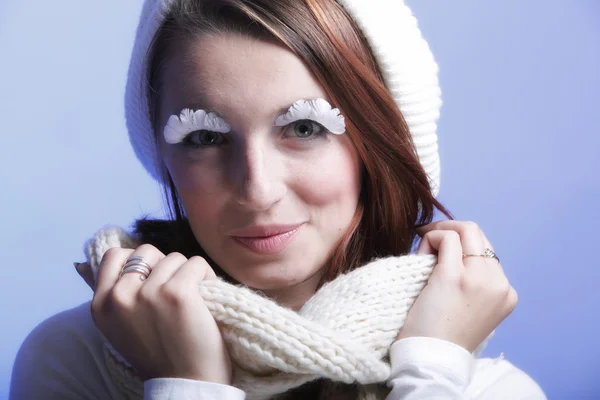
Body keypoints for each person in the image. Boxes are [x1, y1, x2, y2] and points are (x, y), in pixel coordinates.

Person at [10, 0, 546, 399]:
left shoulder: (479, 387)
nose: (258, 189)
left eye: (305, 127)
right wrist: (188, 381)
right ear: (164, 157)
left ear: (378, 145)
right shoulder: (75, 361)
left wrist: (430, 371)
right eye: (203, 137)